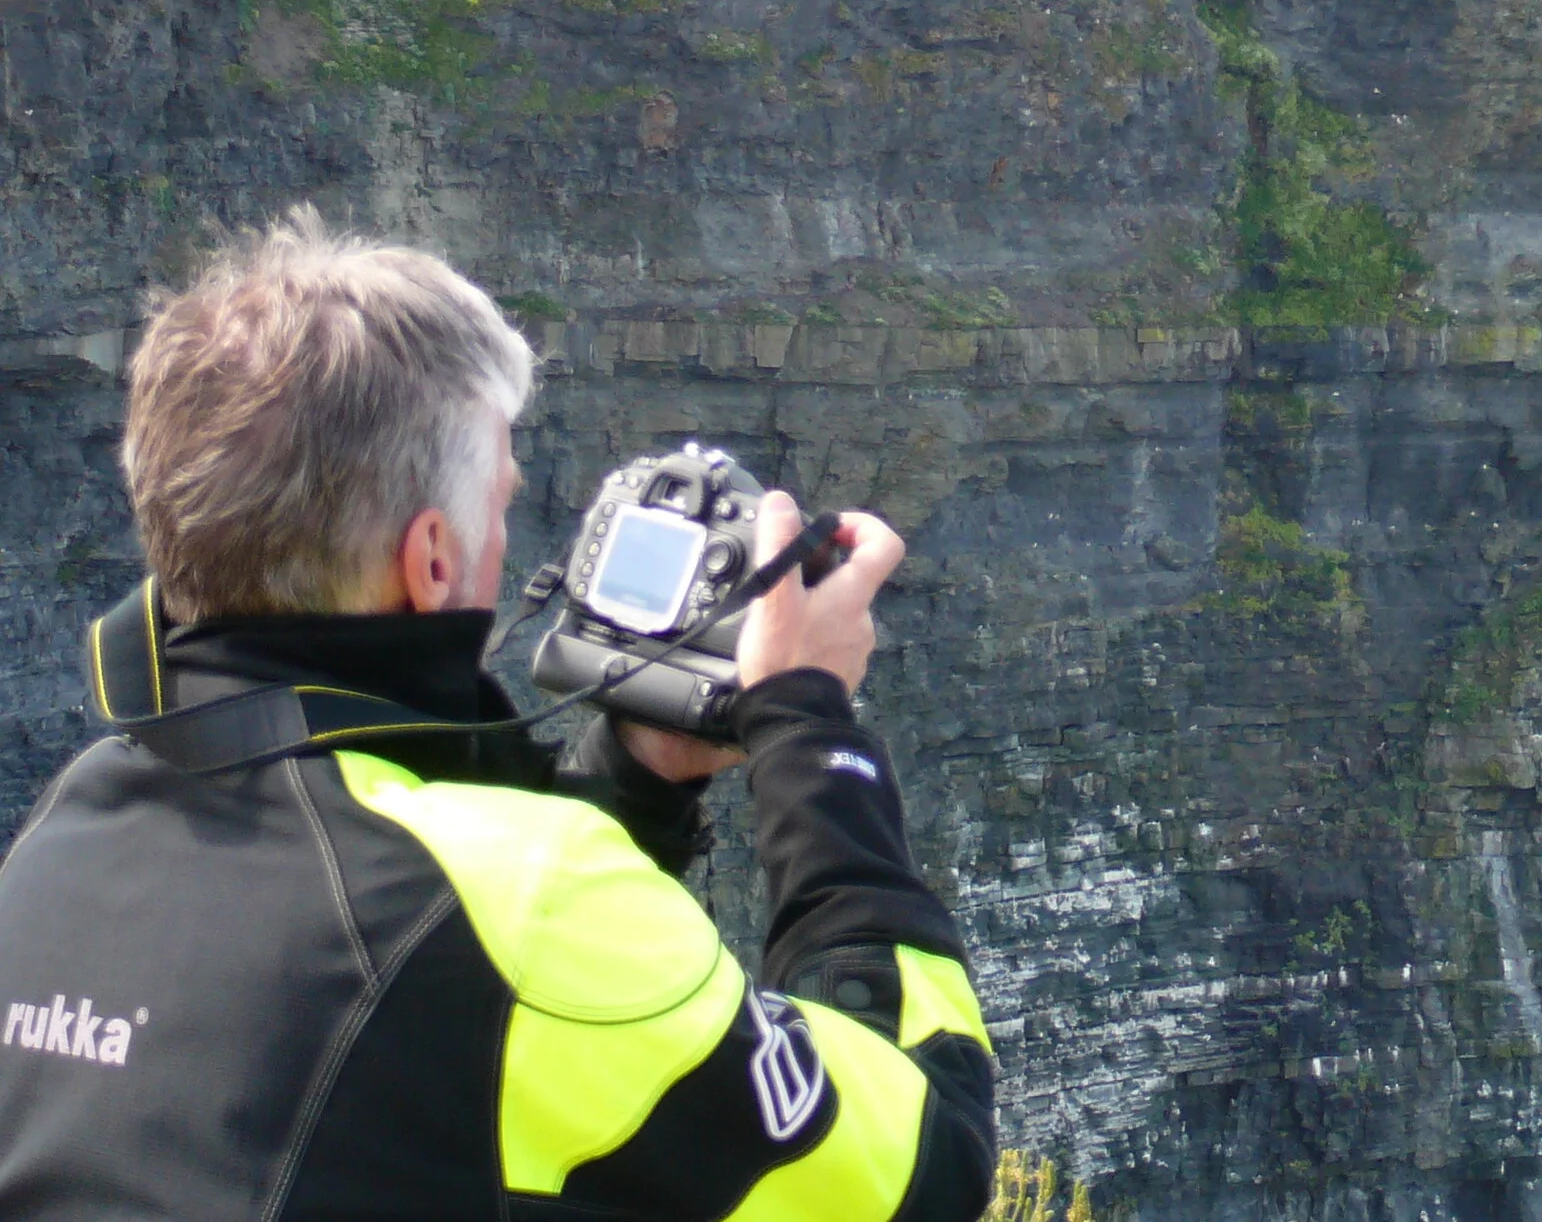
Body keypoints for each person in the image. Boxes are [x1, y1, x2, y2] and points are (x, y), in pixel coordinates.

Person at [0, 210, 996, 1220]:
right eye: (504, 500)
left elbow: (447, 1024)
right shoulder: (528, 897)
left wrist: (642, 774)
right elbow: (930, 1160)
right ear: (431, 559)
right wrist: (808, 727)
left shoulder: (64, 835)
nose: (510, 537)